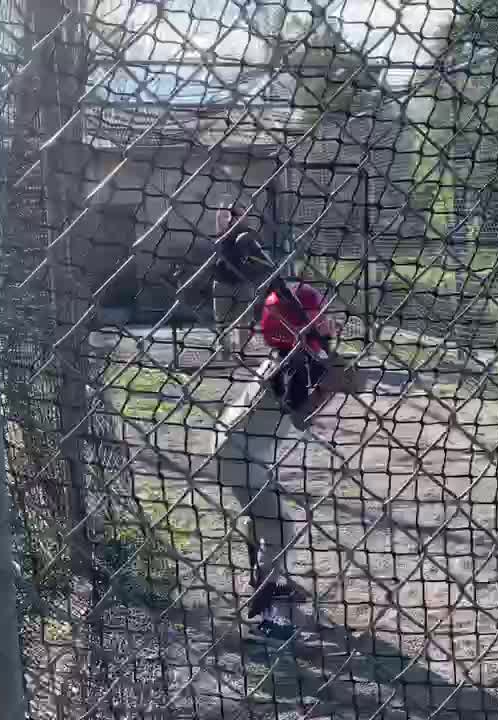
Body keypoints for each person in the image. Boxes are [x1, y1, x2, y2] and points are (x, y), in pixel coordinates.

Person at [213, 280, 357, 640]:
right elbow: (301, 417)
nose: (326, 323)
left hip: (241, 450)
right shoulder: (292, 364)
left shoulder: (289, 358)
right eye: (317, 317)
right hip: (240, 455)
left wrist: (330, 374)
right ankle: (264, 617)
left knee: (267, 517)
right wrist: (327, 388)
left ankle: (266, 580)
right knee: (281, 527)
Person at [210, 202, 262, 361]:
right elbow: (219, 220)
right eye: (234, 215)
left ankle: (242, 353)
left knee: (244, 321)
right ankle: (224, 353)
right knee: (222, 321)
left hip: (243, 282)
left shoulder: (249, 234)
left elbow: (258, 256)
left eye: (240, 214)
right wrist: (222, 210)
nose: (236, 217)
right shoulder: (225, 232)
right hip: (223, 281)